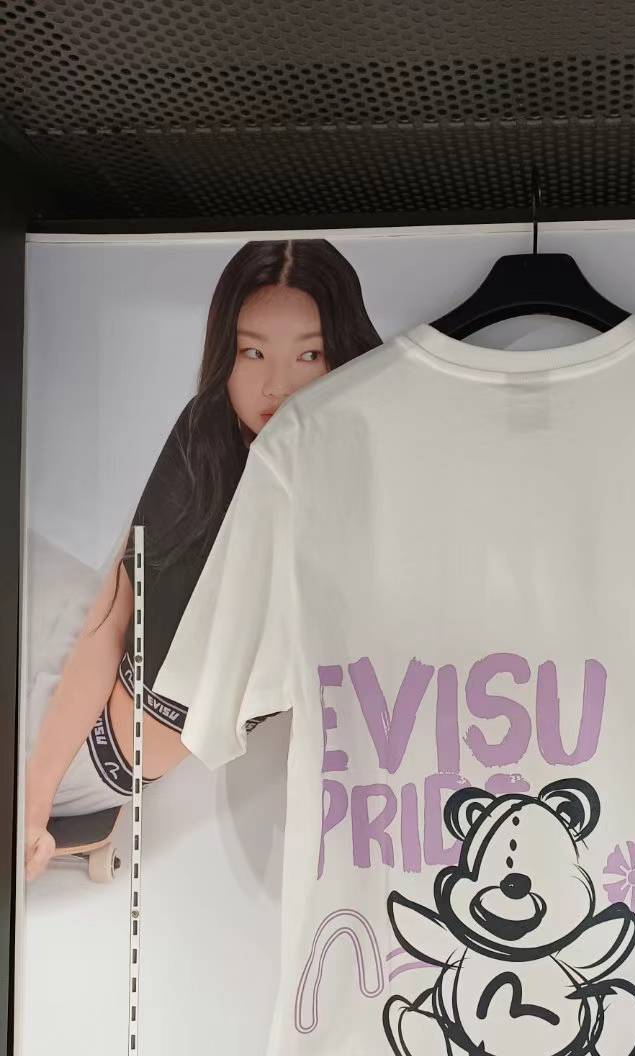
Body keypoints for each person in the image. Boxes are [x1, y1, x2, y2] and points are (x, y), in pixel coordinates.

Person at [24, 238, 381, 881]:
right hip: (60, 692)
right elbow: (112, 615)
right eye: (252, 352)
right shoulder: (207, 434)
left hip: (95, 757)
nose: (277, 385)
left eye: (310, 353)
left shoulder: (360, 492)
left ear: (344, 354)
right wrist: (31, 799)